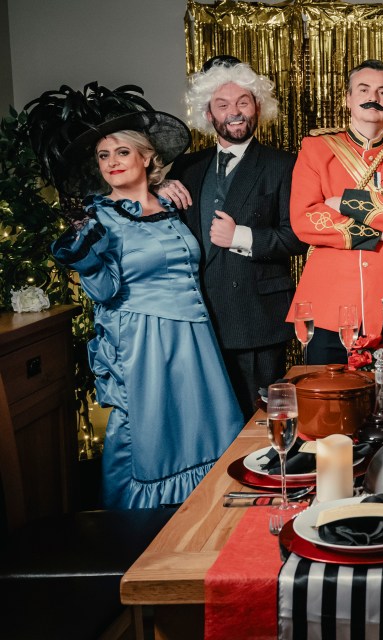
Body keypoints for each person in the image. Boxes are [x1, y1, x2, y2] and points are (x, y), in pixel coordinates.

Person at [50, 108, 243, 509]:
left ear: (147, 158)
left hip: (194, 336)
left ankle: (203, 520)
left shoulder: (172, 204)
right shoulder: (97, 216)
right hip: (143, 338)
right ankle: (133, 529)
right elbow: (103, 291)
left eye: (122, 152)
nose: (112, 163)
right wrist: (84, 255)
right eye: (104, 156)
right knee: (147, 435)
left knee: (203, 430)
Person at [158, 56, 307, 420]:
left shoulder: (283, 164)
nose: (234, 112)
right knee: (207, 419)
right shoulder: (186, 168)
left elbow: (298, 236)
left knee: (258, 421)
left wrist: (240, 236)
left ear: (258, 108)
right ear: (208, 115)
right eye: (223, 105)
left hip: (256, 317)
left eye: (243, 102)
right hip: (198, 319)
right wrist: (157, 187)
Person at [289, 59, 383, 364]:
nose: (374, 97)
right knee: (328, 400)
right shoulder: (317, 149)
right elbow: (304, 219)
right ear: (348, 98)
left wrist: (341, 202)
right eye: (364, 89)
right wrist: (380, 231)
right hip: (327, 303)